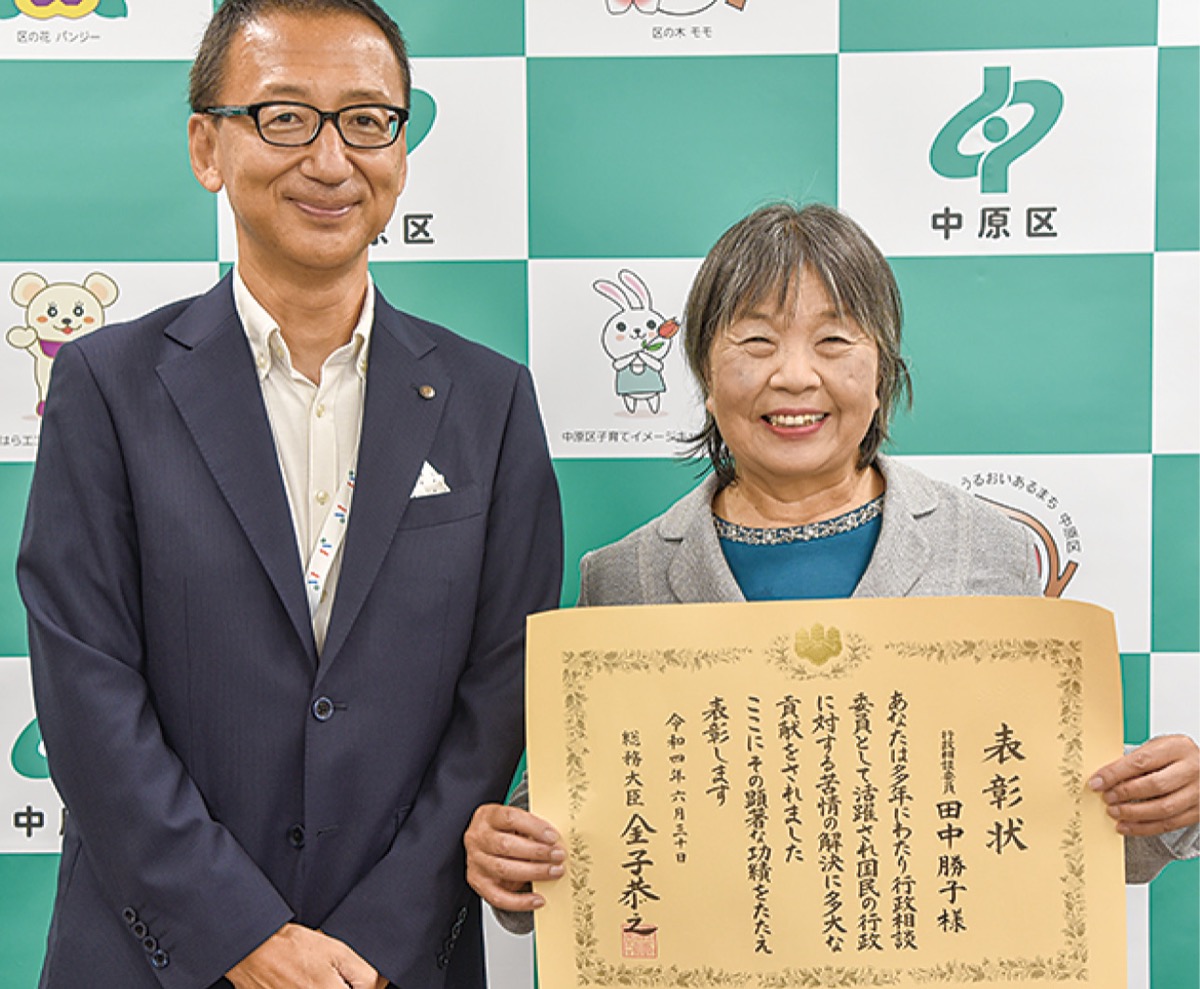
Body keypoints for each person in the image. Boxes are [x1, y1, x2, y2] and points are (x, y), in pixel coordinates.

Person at [463, 202, 1199, 931]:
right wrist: (511, 853)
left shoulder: (985, 549)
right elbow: (581, 831)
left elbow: (1042, 813)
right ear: (705, 374)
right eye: (756, 340)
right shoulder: (626, 579)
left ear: (882, 370)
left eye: (834, 340)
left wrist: (1167, 805)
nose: (794, 376)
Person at [17, 1, 562, 986]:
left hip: (397, 962)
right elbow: (87, 691)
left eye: (367, 120)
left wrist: (376, 943)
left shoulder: (490, 402)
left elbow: (499, 695)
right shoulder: (106, 387)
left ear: (401, 148)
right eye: (284, 117)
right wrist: (242, 936)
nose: (330, 159)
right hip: (152, 958)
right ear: (207, 146)